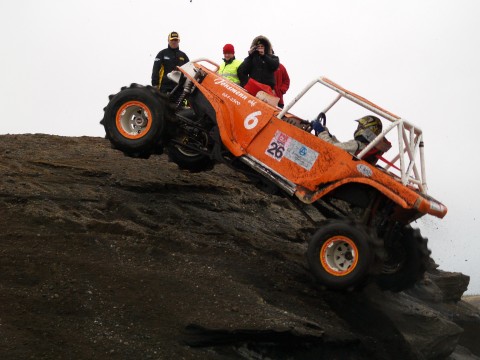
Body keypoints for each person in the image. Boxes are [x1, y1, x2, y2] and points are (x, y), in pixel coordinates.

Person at [312, 115, 389, 164]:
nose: (358, 128)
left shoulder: (357, 145)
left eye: (360, 127)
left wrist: (321, 131)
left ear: (368, 130)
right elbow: (341, 147)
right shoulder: (365, 147)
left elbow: (331, 147)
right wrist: (328, 134)